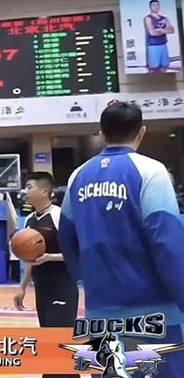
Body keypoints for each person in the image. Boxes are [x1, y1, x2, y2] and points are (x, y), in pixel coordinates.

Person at [59, 102, 184, 375]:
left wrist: (86, 279)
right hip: (155, 312)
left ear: (102, 133)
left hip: (100, 310)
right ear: (141, 132)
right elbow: (167, 244)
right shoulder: (151, 171)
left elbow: (66, 237)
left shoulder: (78, 176)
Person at [13, 172, 79, 378]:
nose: (25, 191)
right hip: (42, 289)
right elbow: (29, 260)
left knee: (60, 342)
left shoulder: (59, 216)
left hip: (62, 286)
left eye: (29, 186)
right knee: (49, 342)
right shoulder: (29, 220)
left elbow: (77, 252)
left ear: (44, 191)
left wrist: (51, 257)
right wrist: (22, 287)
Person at [144, 0, 175, 73]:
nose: (156, 6)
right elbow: (152, 33)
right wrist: (165, 31)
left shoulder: (164, 18)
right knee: (153, 69)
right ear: (150, 7)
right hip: (153, 46)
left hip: (163, 45)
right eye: (153, 5)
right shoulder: (148, 18)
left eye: (157, 5)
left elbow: (172, 30)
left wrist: (161, 30)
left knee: (164, 66)